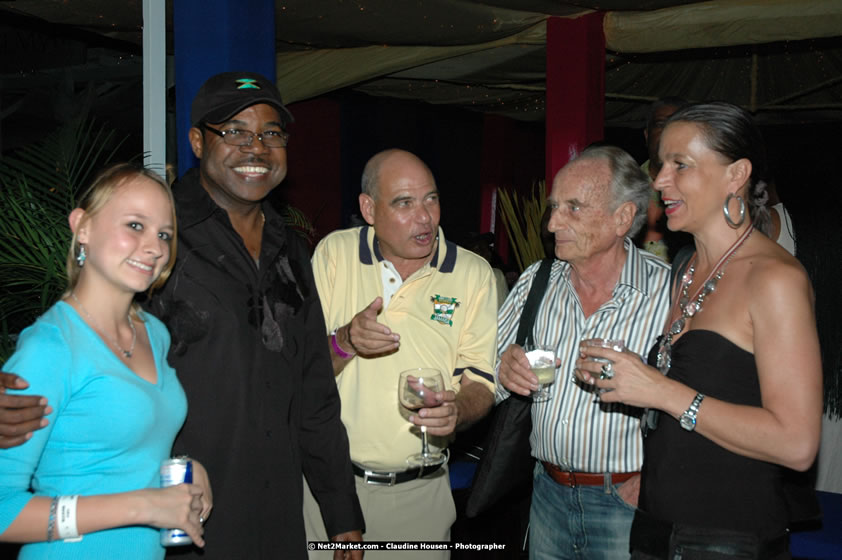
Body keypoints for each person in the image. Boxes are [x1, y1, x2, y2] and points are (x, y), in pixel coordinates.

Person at [0, 71, 364, 560]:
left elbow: (314, 387)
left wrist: (341, 513)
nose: (255, 146)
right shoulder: (154, 247)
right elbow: (66, 353)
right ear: (197, 141)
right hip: (185, 533)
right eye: (233, 131)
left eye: (271, 133)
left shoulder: (290, 249)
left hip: (274, 515)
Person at [576, 102, 822, 559]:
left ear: (737, 175)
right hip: (656, 527)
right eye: (660, 164)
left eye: (680, 166)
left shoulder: (774, 279)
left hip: (730, 539)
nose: (660, 180)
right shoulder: (688, 268)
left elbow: (797, 444)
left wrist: (659, 391)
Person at [0, 163, 211, 558]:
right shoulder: (50, 349)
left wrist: (183, 468)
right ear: (83, 227)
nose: (155, 247)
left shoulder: (154, 334)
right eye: (135, 225)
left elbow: (117, 452)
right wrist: (142, 505)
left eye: (164, 234)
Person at [304, 149, 497, 557]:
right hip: (329, 491)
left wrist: (457, 412)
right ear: (369, 208)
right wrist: (346, 341)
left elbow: (481, 382)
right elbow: (298, 371)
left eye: (431, 198)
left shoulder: (473, 273)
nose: (425, 217)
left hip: (420, 497)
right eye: (405, 203)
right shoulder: (335, 254)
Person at [497, 145, 671, 559]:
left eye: (574, 208)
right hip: (546, 497)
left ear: (623, 218)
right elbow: (488, 374)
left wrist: (652, 483)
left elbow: (696, 398)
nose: (553, 221)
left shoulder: (667, 293)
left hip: (626, 505)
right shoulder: (535, 282)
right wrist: (503, 369)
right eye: (555, 206)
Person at [639, 97, 689, 262]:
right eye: (661, 124)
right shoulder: (625, 185)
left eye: (676, 124)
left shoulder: (698, 188)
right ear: (647, 135)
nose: (668, 131)